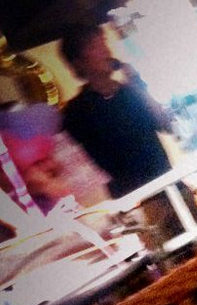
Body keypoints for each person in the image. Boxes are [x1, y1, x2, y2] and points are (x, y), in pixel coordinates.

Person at [60, 23, 173, 199]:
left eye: (103, 42)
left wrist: (138, 85)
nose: (105, 50)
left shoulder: (129, 91)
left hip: (171, 184)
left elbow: (166, 125)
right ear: (79, 63)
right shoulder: (76, 111)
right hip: (135, 200)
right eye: (94, 46)